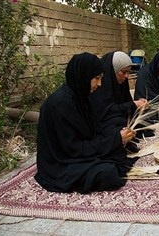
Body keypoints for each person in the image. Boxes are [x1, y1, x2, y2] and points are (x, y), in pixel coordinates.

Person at [34, 52, 139, 194]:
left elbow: (95, 129)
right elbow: (73, 148)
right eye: (96, 78)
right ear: (83, 76)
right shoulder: (60, 104)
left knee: (119, 152)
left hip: (77, 152)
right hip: (61, 161)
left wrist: (118, 136)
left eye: (101, 78)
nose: (100, 84)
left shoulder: (82, 97)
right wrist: (115, 139)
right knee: (108, 174)